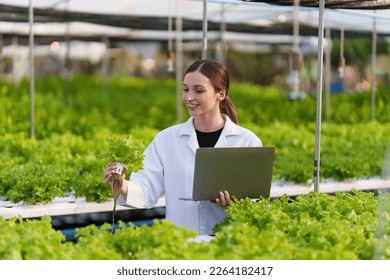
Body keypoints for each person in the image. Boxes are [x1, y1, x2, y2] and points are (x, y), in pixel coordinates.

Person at [103, 59, 262, 235]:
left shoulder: (247, 141)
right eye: (185, 89)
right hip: (181, 245)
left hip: (229, 244)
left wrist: (239, 202)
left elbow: (256, 202)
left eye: (199, 90)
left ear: (221, 94)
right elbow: (146, 190)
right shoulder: (166, 140)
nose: (189, 97)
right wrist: (123, 186)